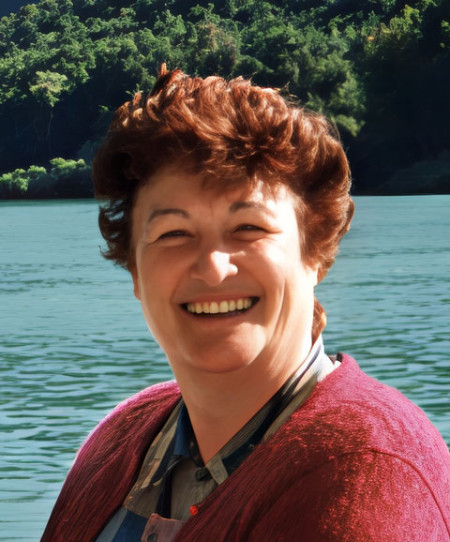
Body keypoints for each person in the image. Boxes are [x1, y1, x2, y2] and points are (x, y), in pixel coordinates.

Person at [42, 65, 450, 542]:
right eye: (174, 234)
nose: (213, 268)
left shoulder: (368, 474)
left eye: (248, 228)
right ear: (135, 270)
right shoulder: (121, 436)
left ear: (315, 254)